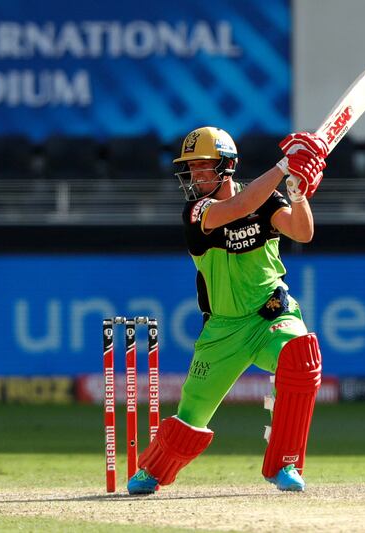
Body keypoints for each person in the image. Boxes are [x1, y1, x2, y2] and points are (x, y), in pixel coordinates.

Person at [127, 126, 328, 495]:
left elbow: (303, 232)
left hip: (270, 313)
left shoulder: (268, 201)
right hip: (222, 330)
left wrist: (298, 195)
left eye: (203, 167)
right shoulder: (198, 211)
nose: (194, 176)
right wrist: (285, 166)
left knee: (302, 358)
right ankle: (153, 470)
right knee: (192, 415)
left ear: (227, 166)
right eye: (190, 168)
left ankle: (285, 464)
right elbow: (239, 207)